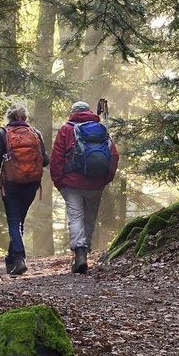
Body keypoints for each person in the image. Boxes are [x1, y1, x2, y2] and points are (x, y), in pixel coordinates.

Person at [50, 100, 119, 274]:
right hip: (95, 183)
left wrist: (59, 181)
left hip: (72, 183)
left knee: (75, 217)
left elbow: (56, 158)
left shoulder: (66, 129)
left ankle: (80, 253)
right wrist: (105, 179)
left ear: (73, 112)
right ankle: (84, 254)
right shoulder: (101, 129)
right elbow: (113, 155)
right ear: (88, 111)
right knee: (89, 218)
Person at [0, 104, 48, 276]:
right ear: (25, 118)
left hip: (11, 184)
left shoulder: (3, 134)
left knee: (14, 221)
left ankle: (19, 257)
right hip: (31, 184)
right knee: (20, 220)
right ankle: (11, 258)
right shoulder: (35, 134)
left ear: (9, 118)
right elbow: (45, 161)